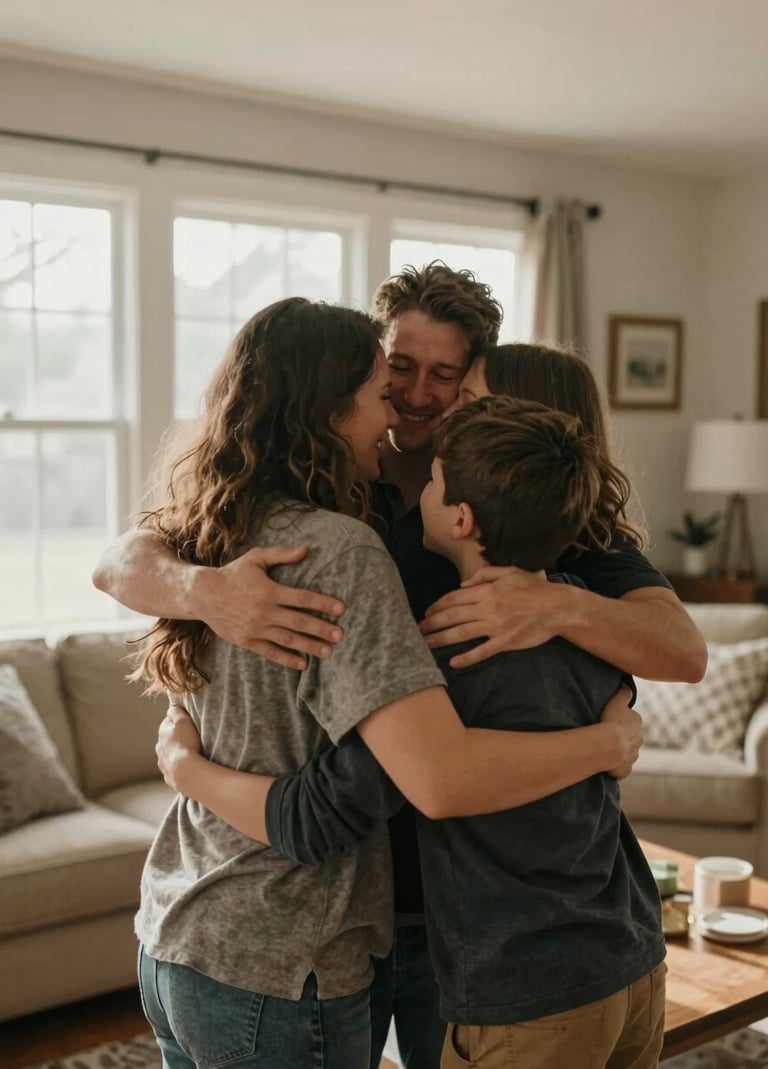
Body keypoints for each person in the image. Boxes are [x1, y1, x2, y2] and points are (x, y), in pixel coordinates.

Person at [93, 269, 705, 1069]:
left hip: (448, 911)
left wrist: (554, 604)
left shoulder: (539, 512)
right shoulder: (348, 504)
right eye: (396, 372)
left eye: (443, 375)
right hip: (343, 893)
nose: (412, 396)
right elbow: (118, 562)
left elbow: (683, 649)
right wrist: (203, 591)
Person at [159, 397, 667, 1069]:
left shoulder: (447, 658)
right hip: (631, 959)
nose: (414, 482)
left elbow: (331, 806)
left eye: (431, 478)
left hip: (530, 995)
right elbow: (620, 694)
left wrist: (185, 769)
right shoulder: (590, 619)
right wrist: (611, 737)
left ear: (461, 517)